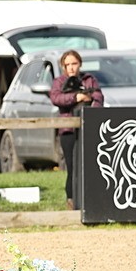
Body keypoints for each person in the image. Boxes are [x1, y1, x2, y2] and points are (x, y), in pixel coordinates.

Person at [49, 49, 104, 210]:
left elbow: (99, 96)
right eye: (68, 65)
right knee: (72, 167)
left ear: (80, 64)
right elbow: (56, 98)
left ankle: (91, 201)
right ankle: (71, 200)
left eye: (74, 63)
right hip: (68, 129)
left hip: (88, 127)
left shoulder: (89, 79)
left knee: (90, 165)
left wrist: (91, 102)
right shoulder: (59, 81)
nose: (71, 68)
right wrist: (76, 97)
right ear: (63, 66)